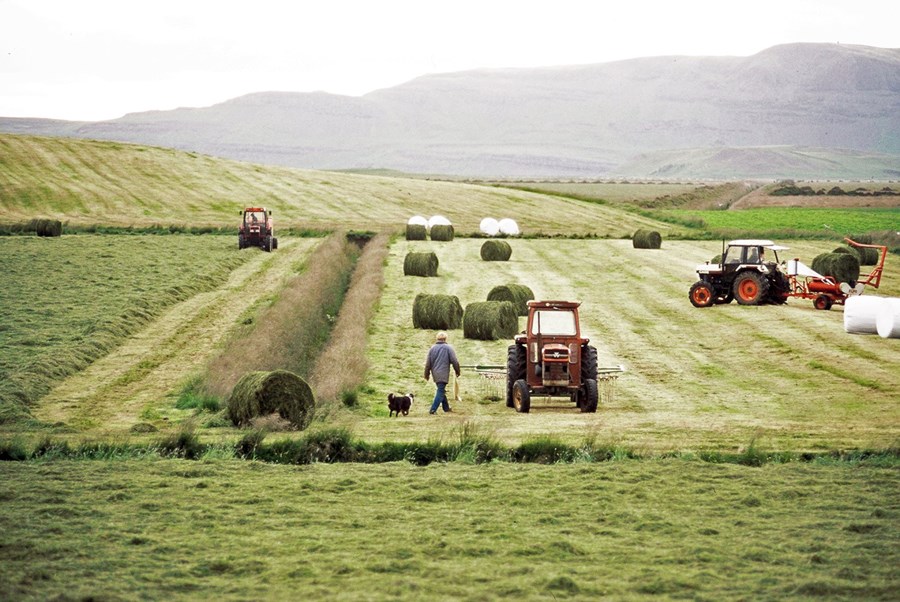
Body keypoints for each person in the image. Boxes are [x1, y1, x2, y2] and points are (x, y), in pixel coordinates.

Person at [424, 331, 460, 414]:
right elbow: (454, 361)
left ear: (437, 339)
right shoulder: (448, 348)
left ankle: (446, 408)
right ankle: (433, 410)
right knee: (440, 390)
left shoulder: (432, 348)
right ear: (445, 339)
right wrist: (457, 371)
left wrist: (427, 374)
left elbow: (428, 364)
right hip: (443, 373)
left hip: (435, 374)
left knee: (441, 390)